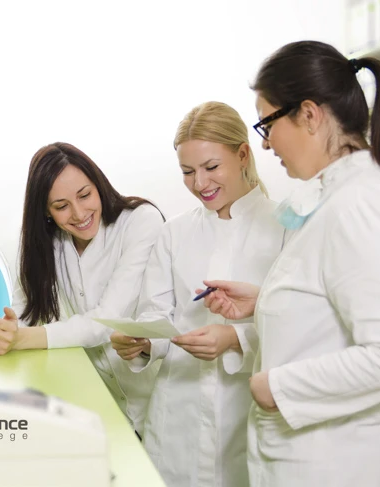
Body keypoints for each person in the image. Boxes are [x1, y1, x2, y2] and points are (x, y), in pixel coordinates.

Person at [200, 41, 380, 487]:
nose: (265, 144)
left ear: (309, 114)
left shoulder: (360, 204)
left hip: (343, 461)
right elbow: (331, 301)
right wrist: (267, 299)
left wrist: (274, 388)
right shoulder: (339, 196)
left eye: (267, 123)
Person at [111, 101, 285, 487]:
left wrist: (236, 339)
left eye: (211, 167)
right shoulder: (174, 233)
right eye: (187, 172)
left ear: (243, 154)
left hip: (245, 415)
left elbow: (301, 325)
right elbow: (157, 314)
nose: (199, 183)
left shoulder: (285, 227)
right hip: (178, 419)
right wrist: (142, 342)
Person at [0, 142, 164, 434]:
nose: (79, 213)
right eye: (61, 206)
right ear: (45, 211)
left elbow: (103, 322)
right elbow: (24, 316)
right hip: (96, 404)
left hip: (152, 404)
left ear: (98, 185)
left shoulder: (140, 221)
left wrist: (18, 338)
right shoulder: (46, 244)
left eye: (85, 195)